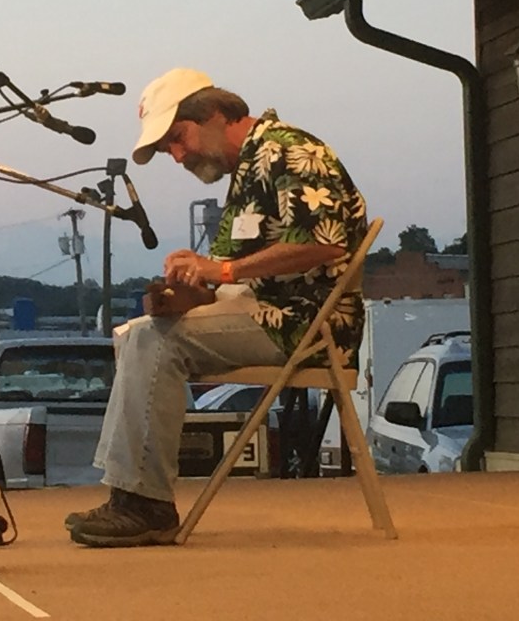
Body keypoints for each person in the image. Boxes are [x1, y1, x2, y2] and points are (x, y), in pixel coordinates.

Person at [67, 67, 367, 548]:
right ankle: (131, 493)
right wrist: (190, 282)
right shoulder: (249, 170)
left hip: (305, 321)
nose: (177, 155)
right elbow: (226, 271)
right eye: (168, 148)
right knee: (135, 333)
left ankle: (144, 503)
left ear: (214, 114)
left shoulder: (291, 151)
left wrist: (222, 272)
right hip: (265, 309)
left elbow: (322, 242)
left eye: (177, 138)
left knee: (151, 341)